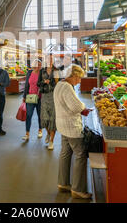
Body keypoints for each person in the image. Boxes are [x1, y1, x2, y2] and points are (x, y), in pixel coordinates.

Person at [54, 64, 92, 199]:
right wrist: (85, 107)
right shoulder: (67, 87)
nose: (80, 81)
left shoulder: (59, 84)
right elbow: (76, 106)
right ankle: (78, 189)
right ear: (73, 76)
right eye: (79, 78)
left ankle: (63, 183)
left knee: (65, 153)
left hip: (62, 125)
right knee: (80, 155)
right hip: (71, 126)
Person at [38, 61, 58, 150]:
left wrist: (51, 82)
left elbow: (59, 84)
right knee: (44, 118)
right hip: (44, 96)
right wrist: (44, 82)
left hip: (54, 96)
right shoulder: (42, 71)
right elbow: (38, 83)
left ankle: (51, 141)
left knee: (53, 119)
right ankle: (48, 134)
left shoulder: (56, 71)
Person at [22, 59, 42, 141]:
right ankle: (27, 133)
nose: (39, 67)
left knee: (40, 115)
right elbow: (27, 85)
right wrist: (24, 96)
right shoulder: (29, 73)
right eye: (38, 65)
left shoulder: (42, 73)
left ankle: (40, 130)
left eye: (40, 65)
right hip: (30, 97)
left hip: (40, 98)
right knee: (28, 115)